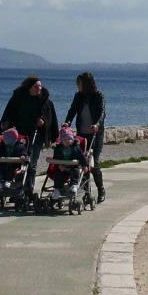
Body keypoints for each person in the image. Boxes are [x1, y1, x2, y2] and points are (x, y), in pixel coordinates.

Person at [0, 75, 59, 197]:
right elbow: (8, 114)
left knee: (31, 162)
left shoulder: (45, 102)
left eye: (40, 86)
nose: (39, 88)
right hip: (19, 136)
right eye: (36, 86)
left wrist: (49, 131)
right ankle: (18, 189)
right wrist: (5, 125)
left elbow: (52, 120)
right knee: (19, 161)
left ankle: (28, 190)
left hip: (37, 135)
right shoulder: (19, 99)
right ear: (29, 88)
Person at [63, 71, 106, 203]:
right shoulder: (78, 96)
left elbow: (102, 113)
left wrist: (97, 124)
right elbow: (72, 110)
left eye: (79, 84)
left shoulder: (98, 96)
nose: (78, 86)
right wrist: (67, 122)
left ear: (86, 84)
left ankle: (101, 189)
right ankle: (86, 192)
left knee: (93, 163)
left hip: (95, 134)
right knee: (82, 162)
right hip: (82, 135)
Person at [50, 124, 87, 200]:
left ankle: (74, 185)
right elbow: (56, 159)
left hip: (73, 166)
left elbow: (82, 156)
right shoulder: (58, 148)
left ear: (72, 139)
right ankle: (57, 189)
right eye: (65, 139)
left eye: (69, 139)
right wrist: (59, 165)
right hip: (62, 166)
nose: (67, 141)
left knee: (75, 171)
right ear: (61, 140)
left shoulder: (75, 147)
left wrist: (84, 165)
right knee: (58, 174)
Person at [0, 127, 28, 191]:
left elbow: (23, 151)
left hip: (14, 164)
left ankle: (8, 181)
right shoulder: (2, 146)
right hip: (4, 163)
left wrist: (23, 155)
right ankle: (0, 183)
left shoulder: (19, 146)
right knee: (0, 169)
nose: (4, 140)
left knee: (12, 170)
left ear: (11, 139)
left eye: (6, 138)